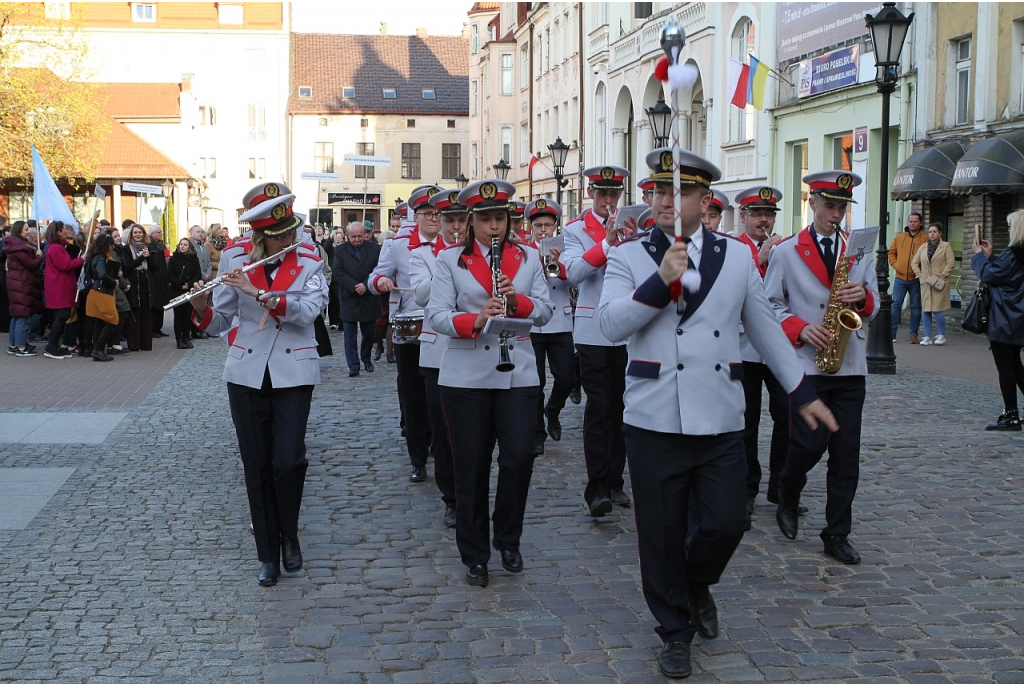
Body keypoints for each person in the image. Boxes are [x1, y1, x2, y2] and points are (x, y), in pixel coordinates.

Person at [597, 148, 835, 679]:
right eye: (656, 191)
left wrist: (801, 390)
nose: (663, 200)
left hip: (722, 414)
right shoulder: (630, 256)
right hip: (655, 416)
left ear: (704, 201)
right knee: (659, 537)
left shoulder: (735, 256)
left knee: (727, 523)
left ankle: (697, 581)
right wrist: (660, 280)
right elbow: (611, 325)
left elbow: (766, 329)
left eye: (676, 191)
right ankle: (674, 629)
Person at [189, 183, 329, 586]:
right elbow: (220, 322)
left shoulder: (308, 258)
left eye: (289, 232)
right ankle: (267, 552)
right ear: (259, 238)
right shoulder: (234, 257)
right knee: (256, 464)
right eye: (277, 237)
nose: (287, 240)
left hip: (294, 371)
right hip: (247, 372)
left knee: (288, 460)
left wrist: (263, 294)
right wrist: (201, 308)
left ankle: (289, 533)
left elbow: (307, 313)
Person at [426, 179, 554, 588]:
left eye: (500, 218)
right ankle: (475, 554)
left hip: (517, 371)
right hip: (466, 375)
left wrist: (517, 301)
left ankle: (509, 536)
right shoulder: (450, 260)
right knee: (472, 465)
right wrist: (477, 319)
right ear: (471, 221)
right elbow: (438, 316)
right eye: (486, 220)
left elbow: (547, 311)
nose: (494, 227)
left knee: (519, 457)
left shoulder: (529, 257)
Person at [764, 170, 880, 565]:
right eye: (829, 205)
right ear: (811, 203)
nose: (836, 213)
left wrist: (862, 296)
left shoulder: (859, 250)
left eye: (842, 206)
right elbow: (769, 307)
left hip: (849, 363)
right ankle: (788, 488)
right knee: (808, 445)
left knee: (846, 454)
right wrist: (800, 328)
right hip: (806, 365)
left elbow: (875, 304)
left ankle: (837, 533)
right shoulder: (786, 251)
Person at [563, 164, 633, 517]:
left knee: (624, 407)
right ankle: (596, 487)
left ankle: (616, 480)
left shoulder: (635, 227)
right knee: (599, 407)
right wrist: (607, 241)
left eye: (614, 194)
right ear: (590, 193)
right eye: (602, 193)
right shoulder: (575, 230)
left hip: (627, 329)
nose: (608, 199)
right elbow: (573, 273)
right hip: (593, 332)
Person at [369, 185, 443, 482]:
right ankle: (417, 458)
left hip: (442, 328)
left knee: (438, 393)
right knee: (412, 395)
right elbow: (375, 277)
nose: (434, 219)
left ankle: (440, 445)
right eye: (428, 214)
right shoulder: (399, 244)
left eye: (438, 214)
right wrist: (383, 282)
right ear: (417, 216)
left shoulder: (455, 243)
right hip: (410, 327)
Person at [732, 186, 796, 514]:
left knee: (787, 416)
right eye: (757, 214)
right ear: (743, 217)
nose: (764, 220)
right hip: (743, 347)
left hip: (777, 345)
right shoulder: (734, 249)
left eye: (769, 214)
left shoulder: (786, 249)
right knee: (747, 421)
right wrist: (761, 259)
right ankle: (745, 489)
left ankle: (781, 487)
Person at [409, 188, 467, 528]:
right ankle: (452, 497)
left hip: (473, 349)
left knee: (468, 431)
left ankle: (469, 489)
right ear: (439, 222)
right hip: (436, 352)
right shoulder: (423, 254)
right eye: (449, 220)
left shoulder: (481, 253)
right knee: (443, 430)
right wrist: (445, 259)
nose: (455, 226)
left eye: (462, 219)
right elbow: (419, 295)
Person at [525, 198, 574, 456]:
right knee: (535, 382)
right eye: (538, 225)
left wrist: (558, 263)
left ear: (556, 226)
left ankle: (553, 409)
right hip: (533, 323)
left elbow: (575, 277)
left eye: (548, 225)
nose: (543, 230)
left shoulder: (565, 250)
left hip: (560, 322)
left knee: (566, 377)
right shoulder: (525, 252)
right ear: (531, 227)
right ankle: (537, 434)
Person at [973, 210, 1024, 431]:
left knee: (1005, 366)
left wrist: (978, 256)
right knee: (1015, 364)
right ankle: (1011, 413)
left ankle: (1011, 414)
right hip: (1018, 315)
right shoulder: (1015, 256)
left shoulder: (1013, 253)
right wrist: (991, 256)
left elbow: (991, 276)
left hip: (1005, 315)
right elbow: (1006, 275)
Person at [333, 222, 382, 376]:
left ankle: (366, 359)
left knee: (368, 333)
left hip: (369, 297)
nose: (357, 239)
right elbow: (338, 271)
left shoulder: (374, 249)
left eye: (360, 236)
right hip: (349, 297)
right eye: (353, 236)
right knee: (349, 336)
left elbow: (379, 269)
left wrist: (366, 285)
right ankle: (353, 365)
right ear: (348, 236)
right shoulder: (340, 250)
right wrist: (354, 286)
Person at [42, 221, 84, 359]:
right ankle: (51, 346)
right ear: (59, 232)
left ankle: (54, 345)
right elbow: (66, 265)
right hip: (59, 286)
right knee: (62, 315)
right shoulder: (55, 248)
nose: (67, 230)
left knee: (62, 316)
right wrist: (81, 259)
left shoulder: (57, 246)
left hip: (61, 285)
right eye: (64, 229)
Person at [4, 220, 44, 356]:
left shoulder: (15, 246)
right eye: (26, 229)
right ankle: (21, 347)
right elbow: (31, 264)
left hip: (18, 283)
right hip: (22, 283)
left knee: (17, 316)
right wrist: (39, 256)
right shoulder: (19, 247)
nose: (28, 232)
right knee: (23, 316)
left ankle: (14, 345)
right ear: (19, 231)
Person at [912, 221, 955, 347]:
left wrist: (941, 276)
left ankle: (941, 335)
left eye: (934, 231)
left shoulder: (946, 246)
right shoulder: (923, 247)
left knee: (937, 309)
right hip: (925, 282)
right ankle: (927, 336)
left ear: (940, 233)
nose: (932, 234)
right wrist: (920, 276)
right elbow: (914, 262)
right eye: (930, 232)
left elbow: (950, 263)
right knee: (926, 310)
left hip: (939, 283)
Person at [888, 212, 928, 344]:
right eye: (911, 221)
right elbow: (891, 253)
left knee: (915, 306)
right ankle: (892, 333)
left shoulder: (925, 239)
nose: (913, 224)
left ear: (920, 223)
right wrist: (897, 265)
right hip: (900, 278)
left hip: (916, 278)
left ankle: (913, 334)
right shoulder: (899, 238)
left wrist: (921, 271)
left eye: (915, 221)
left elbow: (928, 256)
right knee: (895, 305)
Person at [85, 234, 121, 362]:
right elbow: (102, 273)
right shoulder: (100, 258)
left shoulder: (94, 256)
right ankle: (98, 348)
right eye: (111, 245)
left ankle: (97, 350)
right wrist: (113, 281)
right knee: (113, 320)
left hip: (95, 291)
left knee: (99, 322)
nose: (112, 247)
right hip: (102, 292)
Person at [121, 224, 154, 351]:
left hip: (146, 282)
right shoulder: (127, 249)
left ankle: (146, 344)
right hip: (133, 282)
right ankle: (134, 344)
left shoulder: (148, 247)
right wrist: (142, 257)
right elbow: (128, 267)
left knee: (146, 314)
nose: (138, 235)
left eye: (140, 232)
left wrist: (148, 257)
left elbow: (154, 267)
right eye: (135, 233)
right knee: (134, 313)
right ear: (131, 235)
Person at [167, 238, 203, 349]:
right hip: (176, 290)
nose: (182, 246)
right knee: (178, 316)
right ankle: (179, 339)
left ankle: (187, 338)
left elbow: (198, 274)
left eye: (185, 245)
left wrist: (190, 284)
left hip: (189, 290)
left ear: (189, 247)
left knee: (187, 316)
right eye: (181, 244)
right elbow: (170, 274)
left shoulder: (194, 259)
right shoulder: (173, 259)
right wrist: (179, 285)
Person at [147, 226, 170, 337]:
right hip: (155, 278)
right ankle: (153, 328)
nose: (161, 233)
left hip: (162, 277)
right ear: (152, 234)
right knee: (155, 304)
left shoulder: (160, 245)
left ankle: (158, 327)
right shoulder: (150, 245)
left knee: (161, 304)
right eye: (159, 232)